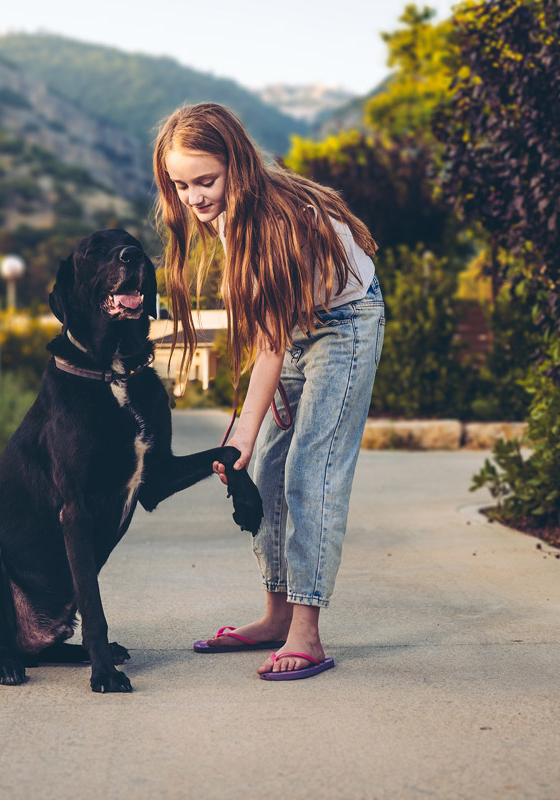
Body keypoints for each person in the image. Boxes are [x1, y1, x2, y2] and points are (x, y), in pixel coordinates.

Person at [152, 103, 385, 680]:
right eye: (181, 185)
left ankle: (307, 631)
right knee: (269, 470)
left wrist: (241, 433)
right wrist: (247, 442)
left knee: (311, 470)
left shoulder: (281, 218)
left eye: (206, 181)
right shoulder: (229, 216)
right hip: (292, 326)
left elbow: (269, 343)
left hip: (343, 324)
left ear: (238, 165)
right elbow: (268, 332)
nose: (195, 198)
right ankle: (276, 613)